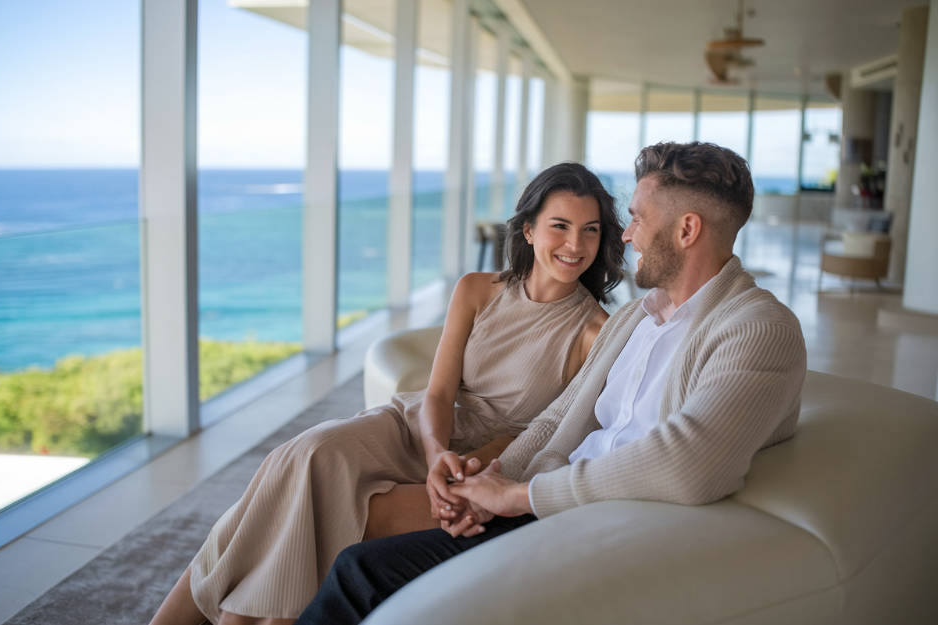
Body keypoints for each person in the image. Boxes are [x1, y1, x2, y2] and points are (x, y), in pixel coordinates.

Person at [295, 141, 808, 625]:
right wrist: (488, 488)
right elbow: (558, 419)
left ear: (687, 230)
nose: (625, 236)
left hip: (605, 527)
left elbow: (689, 464)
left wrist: (522, 497)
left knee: (360, 576)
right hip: (548, 504)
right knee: (358, 563)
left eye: (636, 220)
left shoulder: (758, 327)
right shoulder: (636, 318)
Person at [148, 162, 626, 625]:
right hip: (419, 425)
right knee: (302, 455)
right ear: (527, 231)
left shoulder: (595, 331)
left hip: (484, 458)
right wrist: (436, 451)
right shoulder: (478, 290)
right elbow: (438, 392)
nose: (574, 244)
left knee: (291, 503)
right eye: (559, 226)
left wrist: (463, 469)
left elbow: (547, 431)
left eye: (590, 230)